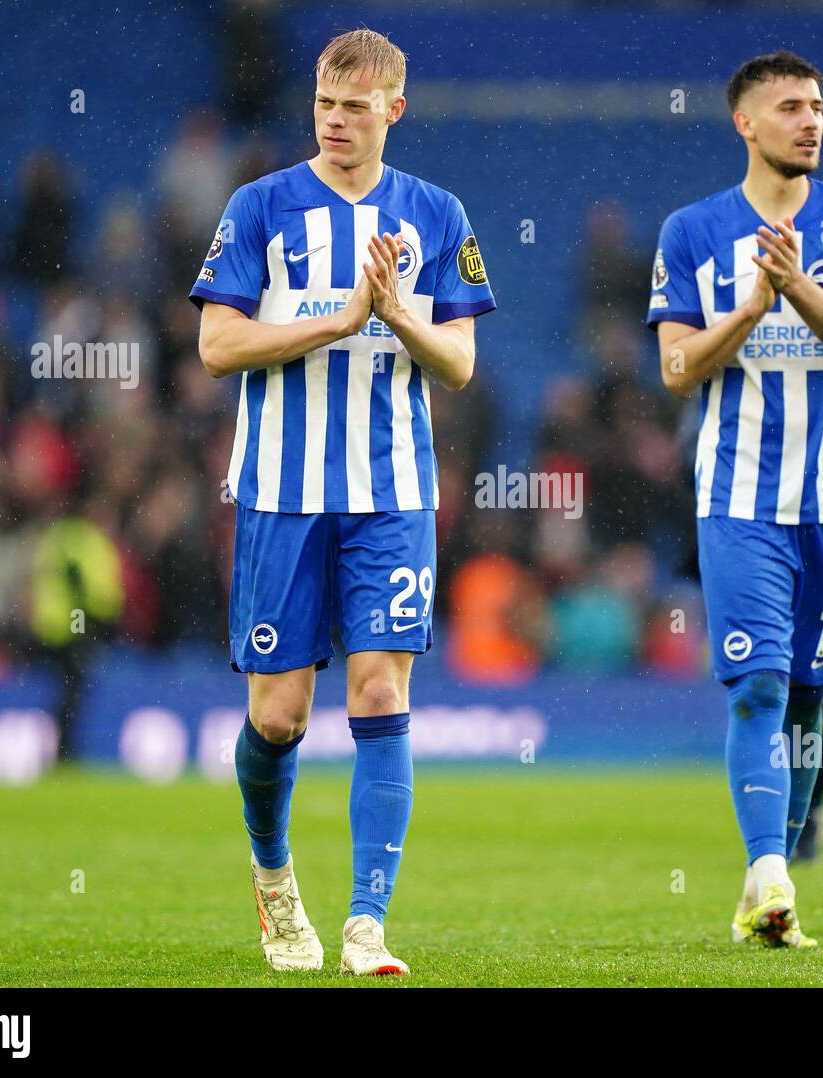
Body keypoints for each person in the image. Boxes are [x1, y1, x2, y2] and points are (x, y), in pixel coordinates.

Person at [189, 29, 496, 976]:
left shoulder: (437, 215)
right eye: (326, 101)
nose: (336, 119)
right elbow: (216, 345)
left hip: (392, 493)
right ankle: (276, 883)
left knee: (378, 690)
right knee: (279, 718)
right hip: (282, 493)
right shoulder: (263, 206)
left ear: (393, 111)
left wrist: (400, 313)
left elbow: (460, 365)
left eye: (357, 106)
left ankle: (366, 922)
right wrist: (338, 319)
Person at [647, 50, 823, 948]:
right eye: (791, 107)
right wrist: (752, 308)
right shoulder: (691, 231)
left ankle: (774, 885)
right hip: (739, 500)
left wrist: (798, 289)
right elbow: (678, 369)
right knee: (759, 686)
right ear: (745, 124)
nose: (811, 121)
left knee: (812, 700)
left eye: (818, 107)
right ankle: (768, 871)